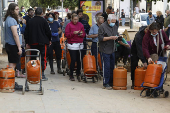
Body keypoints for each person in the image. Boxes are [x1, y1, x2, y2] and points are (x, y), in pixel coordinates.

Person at [24, 7, 51, 81]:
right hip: (43, 42)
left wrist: (27, 42)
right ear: (42, 13)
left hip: (33, 42)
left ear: (35, 13)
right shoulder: (44, 21)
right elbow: (48, 32)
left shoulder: (30, 21)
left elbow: (26, 33)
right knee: (43, 58)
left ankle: (33, 74)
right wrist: (49, 40)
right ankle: (42, 74)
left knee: (32, 58)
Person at [98, 14, 118, 90]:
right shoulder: (102, 27)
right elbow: (100, 38)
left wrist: (118, 37)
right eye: (112, 21)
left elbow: (116, 34)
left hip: (112, 49)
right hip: (105, 50)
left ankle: (111, 82)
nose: (114, 23)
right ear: (108, 20)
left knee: (112, 67)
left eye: (115, 21)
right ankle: (105, 83)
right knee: (106, 67)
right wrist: (110, 38)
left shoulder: (115, 26)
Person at [65, 14, 86, 81]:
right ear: (72, 19)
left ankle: (78, 73)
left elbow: (84, 34)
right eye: (74, 19)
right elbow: (67, 35)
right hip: (72, 44)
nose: (75, 21)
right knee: (73, 59)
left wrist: (81, 34)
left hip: (80, 44)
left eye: (77, 19)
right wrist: (73, 33)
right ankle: (71, 74)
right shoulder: (69, 25)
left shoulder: (80, 25)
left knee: (79, 59)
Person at [4, 3, 22, 69]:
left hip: (10, 45)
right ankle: (9, 78)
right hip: (13, 45)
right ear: (12, 10)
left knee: (12, 64)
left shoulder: (9, 19)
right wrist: (19, 47)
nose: (18, 10)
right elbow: (15, 34)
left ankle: (10, 78)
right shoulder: (11, 20)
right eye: (16, 9)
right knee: (12, 65)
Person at [15, 13, 27, 78]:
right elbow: (22, 31)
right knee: (18, 58)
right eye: (19, 17)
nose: (20, 18)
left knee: (19, 58)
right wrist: (24, 25)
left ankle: (18, 71)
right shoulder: (17, 25)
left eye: (20, 17)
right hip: (18, 43)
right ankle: (18, 72)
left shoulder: (18, 24)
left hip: (20, 43)